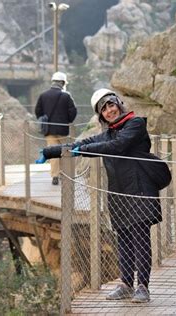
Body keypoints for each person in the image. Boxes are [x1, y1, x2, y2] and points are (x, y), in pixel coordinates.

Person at [36, 88, 162, 303]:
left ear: (118, 104)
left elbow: (117, 146)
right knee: (123, 237)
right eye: (103, 109)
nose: (109, 111)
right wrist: (50, 152)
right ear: (100, 115)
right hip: (118, 191)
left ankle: (143, 286)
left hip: (140, 189)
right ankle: (125, 284)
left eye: (111, 105)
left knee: (140, 238)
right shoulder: (108, 132)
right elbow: (80, 144)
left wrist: (84, 151)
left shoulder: (135, 124)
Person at [35, 71, 77, 185]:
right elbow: (73, 111)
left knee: (53, 152)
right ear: (63, 83)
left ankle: (55, 176)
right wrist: (68, 120)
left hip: (49, 130)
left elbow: (37, 111)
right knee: (66, 152)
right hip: (63, 130)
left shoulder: (43, 95)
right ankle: (67, 175)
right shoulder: (66, 96)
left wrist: (44, 118)